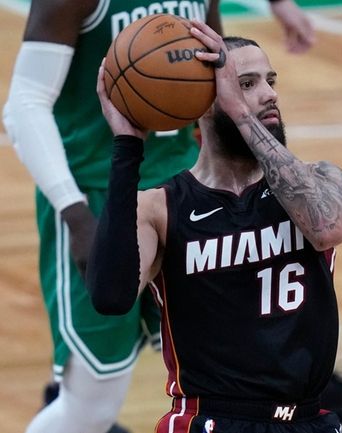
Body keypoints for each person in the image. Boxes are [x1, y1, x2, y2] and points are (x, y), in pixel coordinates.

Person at [87, 22, 342, 433]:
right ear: (205, 101)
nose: (269, 94)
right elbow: (110, 297)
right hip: (211, 420)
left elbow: (327, 230)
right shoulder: (160, 207)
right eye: (245, 83)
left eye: (270, 80)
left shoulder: (319, 180)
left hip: (307, 419)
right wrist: (127, 147)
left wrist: (243, 112)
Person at [2, 2, 222, 433]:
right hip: (98, 198)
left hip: (185, 192)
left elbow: (221, 72)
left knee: (222, 378)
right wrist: (74, 213)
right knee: (92, 407)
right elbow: (25, 103)